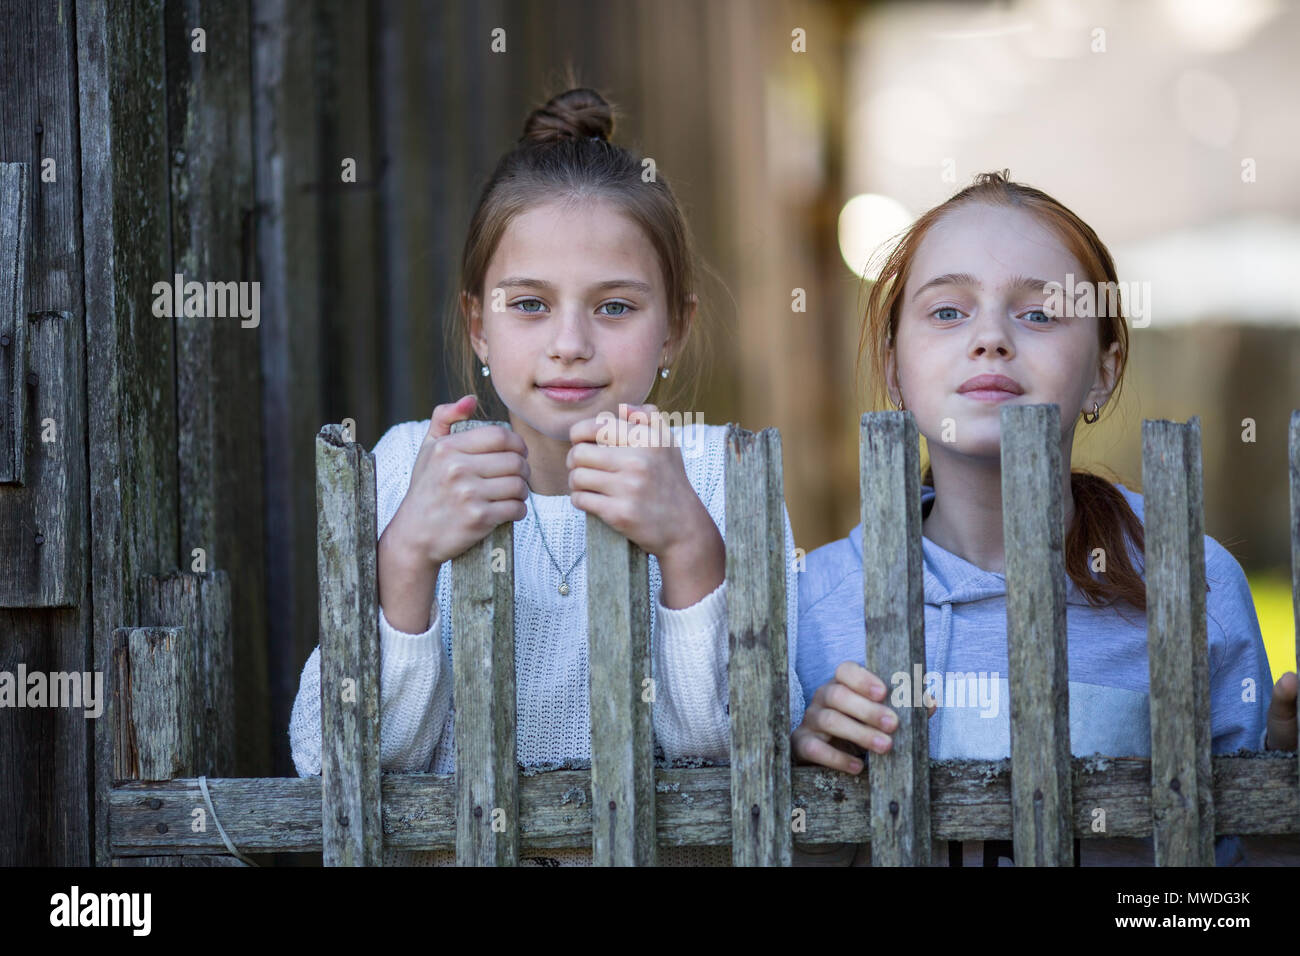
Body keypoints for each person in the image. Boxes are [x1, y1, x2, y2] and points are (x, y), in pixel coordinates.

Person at [289, 87, 804, 865]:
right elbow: (331, 762)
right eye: (529, 304)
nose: (569, 343)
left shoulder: (722, 474)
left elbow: (743, 754)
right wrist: (405, 559)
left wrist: (691, 548)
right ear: (477, 326)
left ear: (675, 330)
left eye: (615, 307)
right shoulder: (411, 467)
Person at [792, 170, 1299, 866]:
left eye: (1039, 313)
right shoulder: (812, 608)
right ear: (893, 368)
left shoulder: (1194, 586)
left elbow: (1231, 884)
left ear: (1105, 369)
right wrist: (814, 792)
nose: (991, 337)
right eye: (947, 312)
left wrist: (1280, 807)